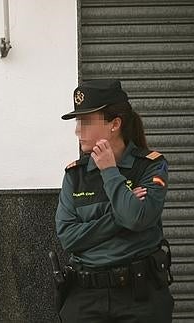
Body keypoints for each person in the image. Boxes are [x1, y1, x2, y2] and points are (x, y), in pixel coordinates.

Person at [55, 79, 174, 322]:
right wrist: (118, 217)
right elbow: (68, 237)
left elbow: (136, 218)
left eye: (86, 122)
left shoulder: (150, 167)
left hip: (140, 298)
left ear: (115, 124)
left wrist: (110, 171)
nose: (78, 131)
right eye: (78, 122)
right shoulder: (75, 175)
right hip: (85, 297)